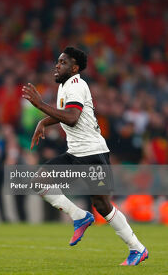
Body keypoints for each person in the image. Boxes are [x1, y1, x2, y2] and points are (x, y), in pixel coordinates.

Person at [22, 47, 148, 266]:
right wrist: (43, 121)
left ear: (74, 68)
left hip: (93, 154)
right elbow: (67, 113)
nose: (56, 65)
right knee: (39, 181)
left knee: (102, 205)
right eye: (57, 61)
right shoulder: (64, 87)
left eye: (62, 62)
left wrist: (40, 106)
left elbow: (71, 117)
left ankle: (137, 249)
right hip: (75, 153)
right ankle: (79, 216)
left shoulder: (77, 86)